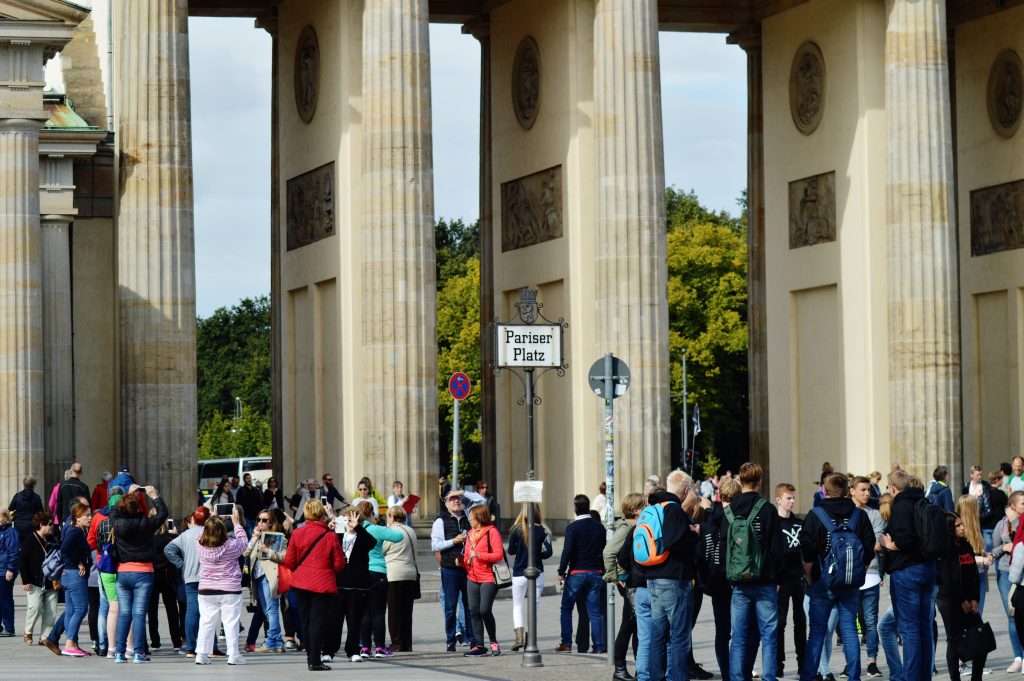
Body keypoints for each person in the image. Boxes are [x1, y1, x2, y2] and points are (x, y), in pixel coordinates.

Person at [798, 474, 876, 681]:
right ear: (846, 490)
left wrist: (809, 577)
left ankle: (808, 676)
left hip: (822, 582)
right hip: (850, 582)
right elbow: (869, 549)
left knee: (817, 632)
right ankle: (854, 676)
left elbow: (806, 551)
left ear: (824, 489)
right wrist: (858, 571)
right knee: (849, 629)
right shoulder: (859, 515)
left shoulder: (816, 515)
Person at [637, 470, 699, 681]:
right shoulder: (674, 510)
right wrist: (693, 536)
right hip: (674, 581)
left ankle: (656, 676)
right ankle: (677, 678)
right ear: (685, 490)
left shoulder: (654, 507)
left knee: (657, 634)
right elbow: (675, 542)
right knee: (679, 636)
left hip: (653, 577)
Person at [726, 462, 784, 681]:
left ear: (740, 481)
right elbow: (778, 548)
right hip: (765, 580)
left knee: (738, 637)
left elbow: (724, 547)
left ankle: (737, 678)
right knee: (768, 635)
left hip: (739, 583)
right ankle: (769, 677)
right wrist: (777, 577)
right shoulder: (767, 509)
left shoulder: (729, 509)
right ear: (760, 482)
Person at [880, 468, 936, 681]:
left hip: (907, 572)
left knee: (910, 630)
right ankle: (923, 676)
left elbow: (904, 540)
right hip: (927, 569)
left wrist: (889, 544)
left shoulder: (902, 506)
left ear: (893, 488)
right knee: (924, 627)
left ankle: (912, 677)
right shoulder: (924, 502)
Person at [282, 498, 345, 671]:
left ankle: (311, 656)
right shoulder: (330, 536)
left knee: (307, 621)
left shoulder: (297, 533)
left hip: (301, 582)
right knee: (318, 622)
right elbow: (339, 564)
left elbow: (289, 561)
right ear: (321, 513)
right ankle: (315, 660)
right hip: (322, 584)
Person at [110, 484, 167, 663]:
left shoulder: (117, 523)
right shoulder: (146, 523)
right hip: (144, 571)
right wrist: (154, 496)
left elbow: (113, 511)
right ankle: (138, 653)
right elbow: (163, 514)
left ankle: (119, 653)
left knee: (124, 613)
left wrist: (128, 494)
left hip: (123, 571)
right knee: (139, 613)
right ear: (138, 507)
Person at [165, 506, 222, 658]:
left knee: (192, 612)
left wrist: (182, 564)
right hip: (208, 576)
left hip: (190, 577)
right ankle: (211, 647)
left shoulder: (185, 535)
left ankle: (191, 647)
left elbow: (168, 549)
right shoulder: (210, 532)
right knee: (209, 613)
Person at [195, 507, 249, 666]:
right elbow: (244, 542)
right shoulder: (231, 546)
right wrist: (237, 523)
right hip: (229, 589)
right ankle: (233, 655)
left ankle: (201, 654)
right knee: (231, 622)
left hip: (206, 589)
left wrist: (212, 517)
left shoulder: (200, 544)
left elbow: (201, 533)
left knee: (206, 622)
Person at [937, 511, 986, 681]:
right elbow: (947, 579)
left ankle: (976, 678)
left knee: (981, 639)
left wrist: (974, 599)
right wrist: (962, 600)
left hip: (968, 600)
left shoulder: (966, 545)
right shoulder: (945, 550)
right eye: (957, 525)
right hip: (950, 601)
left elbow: (974, 574)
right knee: (955, 641)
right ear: (949, 528)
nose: (962, 527)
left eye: (962, 524)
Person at [324, 504, 375, 663]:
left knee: (354, 621)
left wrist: (357, 528)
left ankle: (353, 650)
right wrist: (331, 527)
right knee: (334, 621)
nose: (350, 521)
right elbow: (325, 546)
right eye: (347, 518)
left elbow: (371, 543)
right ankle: (328, 651)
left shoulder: (362, 536)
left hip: (357, 585)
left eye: (354, 518)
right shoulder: (337, 535)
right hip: (338, 584)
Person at [557, 494, 607, 654]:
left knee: (566, 608)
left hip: (577, 572)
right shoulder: (600, 527)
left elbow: (568, 551)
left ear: (575, 508)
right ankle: (599, 646)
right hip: (596, 572)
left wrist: (561, 571)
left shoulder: (572, 528)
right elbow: (602, 549)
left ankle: (566, 643)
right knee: (595, 612)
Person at [358, 498, 404, 656]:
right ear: (371, 514)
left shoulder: (353, 529)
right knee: (377, 612)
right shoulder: (375, 529)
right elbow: (398, 537)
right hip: (378, 572)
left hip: (361, 573)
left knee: (364, 612)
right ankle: (379, 647)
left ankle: (364, 647)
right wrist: (383, 526)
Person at [605, 493, 644, 681]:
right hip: (628, 583)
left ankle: (638, 668)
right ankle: (620, 668)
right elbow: (609, 552)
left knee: (635, 626)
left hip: (630, 582)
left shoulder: (631, 526)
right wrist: (615, 577)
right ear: (636, 509)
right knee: (628, 625)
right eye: (643, 506)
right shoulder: (626, 528)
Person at [433, 487, 475, 652]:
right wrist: (454, 541)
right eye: (452, 499)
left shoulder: (468, 517)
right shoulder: (440, 521)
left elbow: (480, 501)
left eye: (458, 498)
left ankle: (472, 639)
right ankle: (450, 640)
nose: (457, 501)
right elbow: (435, 545)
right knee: (450, 607)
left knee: (469, 605)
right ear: (445, 502)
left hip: (468, 568)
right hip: (450, 569)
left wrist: (464, 492)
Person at [852, 476, 885, 678]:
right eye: (863, 490)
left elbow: (877, 544)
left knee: (871, 622)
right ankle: (851, 663)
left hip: (871, 573)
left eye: (868, 490)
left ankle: (872, 661)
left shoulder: (874, 514)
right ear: (852, 491)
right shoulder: (846, 512)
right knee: (851, 623)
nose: (867, 494)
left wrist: (852, 548)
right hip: (849, 575)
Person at [508, 504, 553, 652]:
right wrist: (537, 554)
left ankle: (519, 638)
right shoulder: (543, 530)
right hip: (537, 572)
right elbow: (548, 553)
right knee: (535, 606)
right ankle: (530, 639)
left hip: (519, 572)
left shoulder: (516, 529)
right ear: (537, 512)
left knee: (517, 605)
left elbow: (511, 551)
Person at [244, 507, 288, 653]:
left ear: (271, 523)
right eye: (259, 520)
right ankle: (277, 642)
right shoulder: (257, 537)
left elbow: (284, 557)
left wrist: (267, 551)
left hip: (269, 577)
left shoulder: (278, 536)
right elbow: (245, 552)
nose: (260, 523)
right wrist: (254, 537)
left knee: (271, 609)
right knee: (267, 610)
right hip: (257, 578)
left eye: (264, 520)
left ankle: (271, 642)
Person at [462, 503, 505, 657]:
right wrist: (464, 561)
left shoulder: (491, 532)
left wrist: (479, 555)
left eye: (471, 518)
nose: (469, 520)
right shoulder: (469, 534)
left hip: (488, 577)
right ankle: (479, 645)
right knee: (473, 611)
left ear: (479, 517)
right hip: (472, 577)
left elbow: (498, 555)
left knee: (484, 610)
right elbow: (467, 554)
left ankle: (493, 641)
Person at [50, 503, 92, 657]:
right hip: (74, 574)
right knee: (81, 609)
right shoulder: (75, 532)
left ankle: (72, 643)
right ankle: (69, 644)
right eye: (86, 515)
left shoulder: (78, 530)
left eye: (89, 514)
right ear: (77, 517)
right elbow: (65, 548)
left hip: (67, 574)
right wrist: (78, 562)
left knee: (71, 610)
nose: (90, 517)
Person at [774, 482, 805, 678]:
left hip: (799, 579)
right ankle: (778, 663)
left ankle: (803, 663)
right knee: (780, 623)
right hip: (780, 580)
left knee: (800, 622)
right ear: (778, 499)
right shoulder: (774, 523)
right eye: (788, 498)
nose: (792, 501)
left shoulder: (799, 523)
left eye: (793, 498)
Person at [993, 490, 1024, 671]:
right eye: (1022, 503)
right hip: (1006, 573)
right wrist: (1004, 547)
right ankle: (1018, 656)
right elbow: (993, 550)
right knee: (1012, 616)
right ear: (1012, 505)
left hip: (1022, 575)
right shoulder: (1002, 524)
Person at [875, 493, 903, 681]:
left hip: (903, 581)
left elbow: (885, 550)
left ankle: (900, 674)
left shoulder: (893, 521)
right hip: (907, 579)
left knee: (886, 627)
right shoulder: (901, 517)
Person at [383, 505, 418, 652]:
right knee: (406, 611)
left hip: (395, 574)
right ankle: (407, 643)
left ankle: (396, 642)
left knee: (394, 611)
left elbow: (383, 549)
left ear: (392, 517)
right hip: (410, 574)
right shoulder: (411, 530)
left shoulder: (391, 532)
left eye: (388, 517)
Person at [19, 511, 56, 645]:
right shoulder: (30, 540)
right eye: (50, 524)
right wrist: (25, 581)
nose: (52, 527)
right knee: (35, 607)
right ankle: (28, 632)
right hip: (34, 582)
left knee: (51, 612)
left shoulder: (53, 539)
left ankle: (44, 637)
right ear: (42, 524)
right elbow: (22, 561)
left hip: (51, 582)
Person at [148, 509, 181, 651]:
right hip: (167, 576)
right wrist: (175, 535)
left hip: (151, 576)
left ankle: (155, 642)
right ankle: (176, 642)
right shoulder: (169, 537)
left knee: (152, 610)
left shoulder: (147, 537)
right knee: (172, 610)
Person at [0, 508, 18, 637]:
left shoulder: (10, 532)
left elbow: (13, 552)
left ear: (6, 517)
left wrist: (10, 569)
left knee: (5, 600)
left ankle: (9, 627)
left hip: (4, 570)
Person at [8, 476, 44, 541]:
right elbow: (41, 512)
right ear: (34, 485)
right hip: (32, 526)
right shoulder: (36, 497)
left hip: (18, 526)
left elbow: (10, 509)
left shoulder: (17, 496)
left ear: (24, 484)